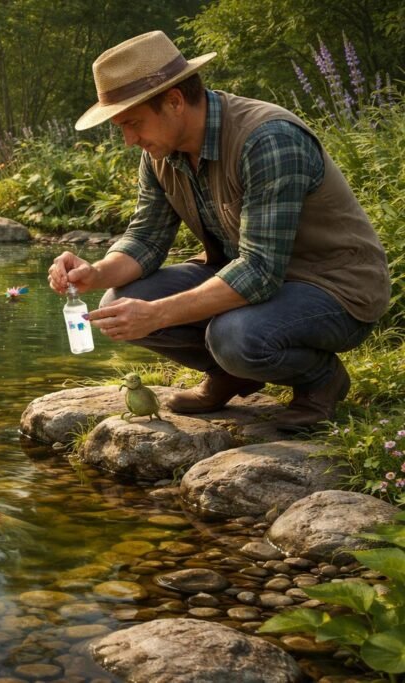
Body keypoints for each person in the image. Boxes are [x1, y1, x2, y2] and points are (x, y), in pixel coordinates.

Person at [47, 31, 390, 432]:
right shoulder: (160, 152)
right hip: (253, 280)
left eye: (133, 123)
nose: (128, 140)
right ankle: (231, 375)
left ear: (174, 101)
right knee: (121, 300)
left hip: (335, 290)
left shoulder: (268, 139)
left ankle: (320, 379)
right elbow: (146, 239)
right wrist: (95, 272)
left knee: (233, 336)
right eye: (121, 127)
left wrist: (157, 314)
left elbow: (260, 272)